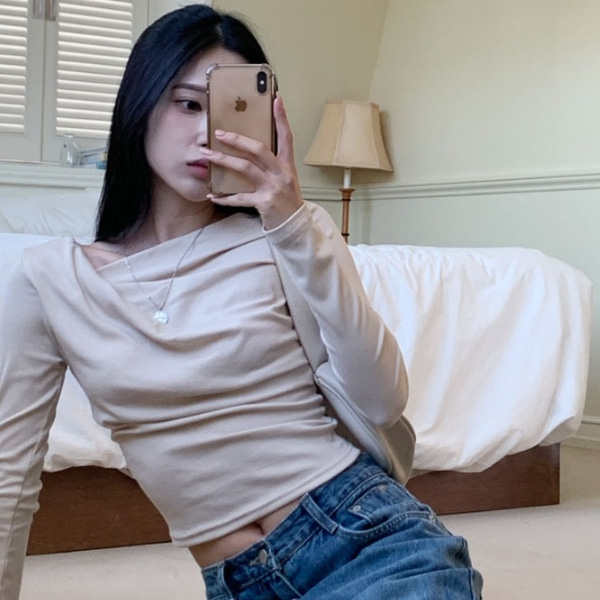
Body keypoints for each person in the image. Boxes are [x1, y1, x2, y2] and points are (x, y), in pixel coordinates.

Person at [0, 5, 483, 599]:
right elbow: (9, 476)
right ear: (139, 105)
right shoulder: (50, 278)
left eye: (231, 110)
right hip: (237, 583)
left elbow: (382, 401)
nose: (210, 133)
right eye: (187, 104)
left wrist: (295, 225)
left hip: (365, 532)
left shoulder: (290, 235)